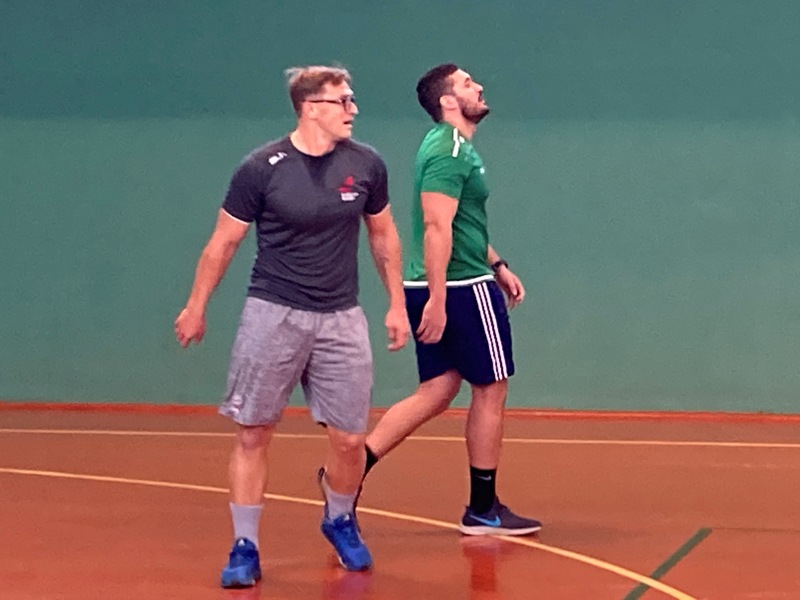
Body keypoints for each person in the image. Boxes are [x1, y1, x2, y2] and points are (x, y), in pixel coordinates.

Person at [174, 65, 410, 588]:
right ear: (310, 108)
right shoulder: (260, 168)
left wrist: (397, 304)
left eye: (352, 99)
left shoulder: (366, 164)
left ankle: (340, 518)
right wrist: (196, 306)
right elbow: (224, 241)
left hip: (341, 317)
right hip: (272, 312)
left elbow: (383, 235)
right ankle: (244, 546)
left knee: (350, 440)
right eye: (343, 101)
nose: (352, 109)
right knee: (254, 433)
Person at [362, 64, 542, 536]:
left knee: (438, 389)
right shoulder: (451, 150)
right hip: (459, 287)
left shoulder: (445, 146)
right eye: (466, 83)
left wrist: (497, 264)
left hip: (443, 282)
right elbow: (436, 227)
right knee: (491, 387)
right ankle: (482, 509)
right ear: (447, 101)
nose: (478, 86)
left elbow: (458, 223)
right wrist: (440, 300)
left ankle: (350, 467)